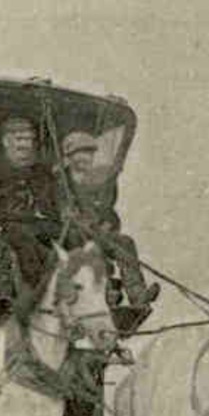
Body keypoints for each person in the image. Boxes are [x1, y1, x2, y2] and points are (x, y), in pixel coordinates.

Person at [58, 130, 159, 307]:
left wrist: (108, 224)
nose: (86, 158)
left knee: (125, 243)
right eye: (81, 153)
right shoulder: (59, 181)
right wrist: (73, 218)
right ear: (69, 155)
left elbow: (108, 212)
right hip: (68, 233)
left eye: (90, 153)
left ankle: (137, 294)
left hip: (96, 232)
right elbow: (57, 209)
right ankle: (105, 296)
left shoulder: (97, 181)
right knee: (89, 249)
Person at [0, 116, 61, 293]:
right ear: (6, 142)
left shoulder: (40, 171)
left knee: (78, 238)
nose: (27, 145)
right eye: (20, 139)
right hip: (11, 226)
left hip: (44, 225)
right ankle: (37, 292)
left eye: (30, 139)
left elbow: (53, 202)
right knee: (25, 241)